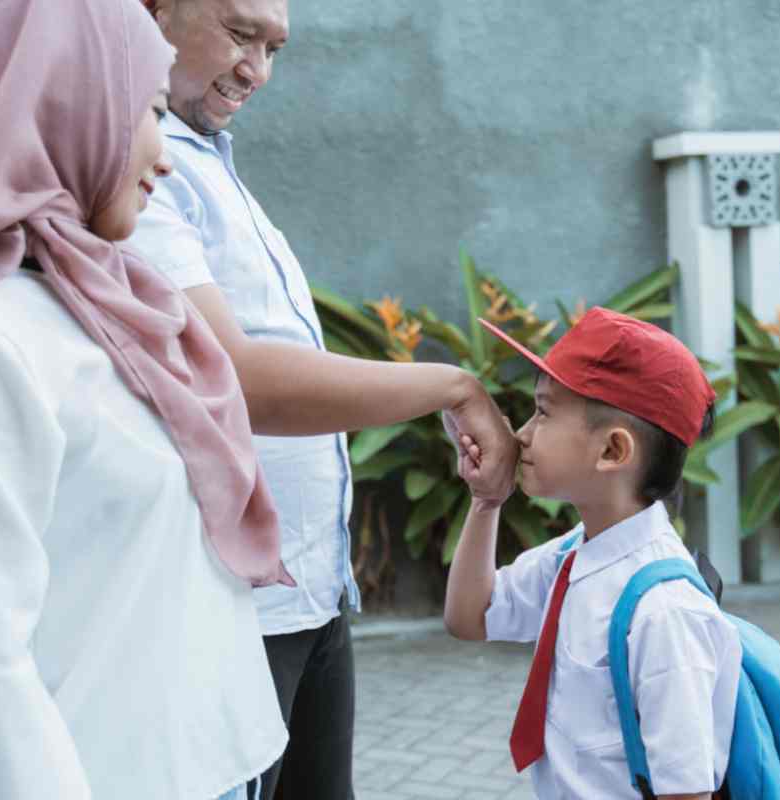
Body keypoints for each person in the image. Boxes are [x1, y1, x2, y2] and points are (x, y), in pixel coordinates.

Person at [0, 0, 290, 797]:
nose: (165, 156)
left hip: (209, 762)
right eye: (142, 108)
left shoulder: (89, 297)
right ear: (38, 109)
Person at [129, 2, 517, 798]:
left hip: (307, 594)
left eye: (273, 48)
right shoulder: (140, 173)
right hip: (230, 606)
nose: (257, 71)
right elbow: (238, 378)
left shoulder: (206, 163)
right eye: (239, 35)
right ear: (153, 12)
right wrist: (451, 385)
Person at [443, 308, 742, 800]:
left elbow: (686, 793)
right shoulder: (576, 554)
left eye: (543, 412)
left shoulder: (663, 613)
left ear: (612, 452)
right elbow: (470, 617)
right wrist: (487, 500)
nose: (521, 433)